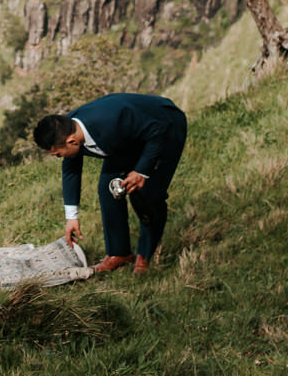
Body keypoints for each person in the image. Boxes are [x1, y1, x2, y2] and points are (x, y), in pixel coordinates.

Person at [32, 92, 187, 275]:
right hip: (127, 139)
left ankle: (145, 254)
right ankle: (118, 254)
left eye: (58, 154)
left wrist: (141, 171)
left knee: (149, 195)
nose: (60, 158)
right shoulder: (68, 129)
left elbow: (157, 130)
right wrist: (71, 217)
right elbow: (71, 170)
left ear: (71, 141)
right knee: (109, 188)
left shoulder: (112, 120)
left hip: (165, 126)